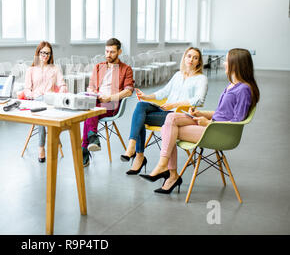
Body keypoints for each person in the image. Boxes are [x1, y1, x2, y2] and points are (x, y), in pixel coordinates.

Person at [140, 48, 260, 194]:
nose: (223, 63)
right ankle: (167, 170)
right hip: (212, 126)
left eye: (226, 60)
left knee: (168, 129)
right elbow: (222, 113)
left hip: (219, 132)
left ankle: (169, 172)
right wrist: (200, 113)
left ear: (236, 64)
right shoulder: (232, 86)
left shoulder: (244, 90)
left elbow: (236, 121)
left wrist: (209, 123)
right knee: (170, 119)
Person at [121, 47, 208, 175]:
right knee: (141, 107)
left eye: (195, 58)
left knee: (139, 118)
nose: (191, 60)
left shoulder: (201, 79)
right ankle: (132, 146)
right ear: (184, 58)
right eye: (189, 56)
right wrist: (146, 96)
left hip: (177, 115)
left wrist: (174, 104)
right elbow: (164, 92)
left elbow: (199, 100)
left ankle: (138, 155)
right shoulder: (178, 75)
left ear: (199, 62)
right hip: (165, 110)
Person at [82, 38, 134, 167]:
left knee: (90, 111)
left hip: (111, 103)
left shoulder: (126, 69)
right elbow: (91, 86)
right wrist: (93, 92)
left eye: (112, 52)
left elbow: (128, 91)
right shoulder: (99, 67)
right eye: (106, 51)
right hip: (97, 100)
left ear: (119, 52)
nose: (108, 55)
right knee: (90, 107)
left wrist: (110, 98)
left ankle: (85, 147)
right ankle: (93, 138)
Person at [23, 41, 67, 162]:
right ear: (38, 53)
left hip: (51, 101)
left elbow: (62, 84)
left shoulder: (55, 69)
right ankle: (42, 147)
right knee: (42, 115)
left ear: (51, 55)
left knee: (45, 111)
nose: (45, 55)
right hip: (36, 101)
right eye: (42, 52)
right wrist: (31, 95)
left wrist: (61, 92)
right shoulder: (30, 70)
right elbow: (26, 89)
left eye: (48, 53)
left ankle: (46, 144)